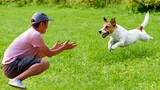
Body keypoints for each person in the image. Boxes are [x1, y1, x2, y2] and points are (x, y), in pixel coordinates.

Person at [1, 12, 77, 89]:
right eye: (47, 23)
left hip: (9, 66)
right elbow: (50, 54)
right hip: (11, 66)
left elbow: (39, 55)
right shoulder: (35, 35)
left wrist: (54, 48)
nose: (47, 26)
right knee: (44, 63)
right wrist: (63, 48)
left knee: (40, 60)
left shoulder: (31, 32)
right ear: (42, 24)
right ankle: (16, 79)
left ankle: (15, 79)